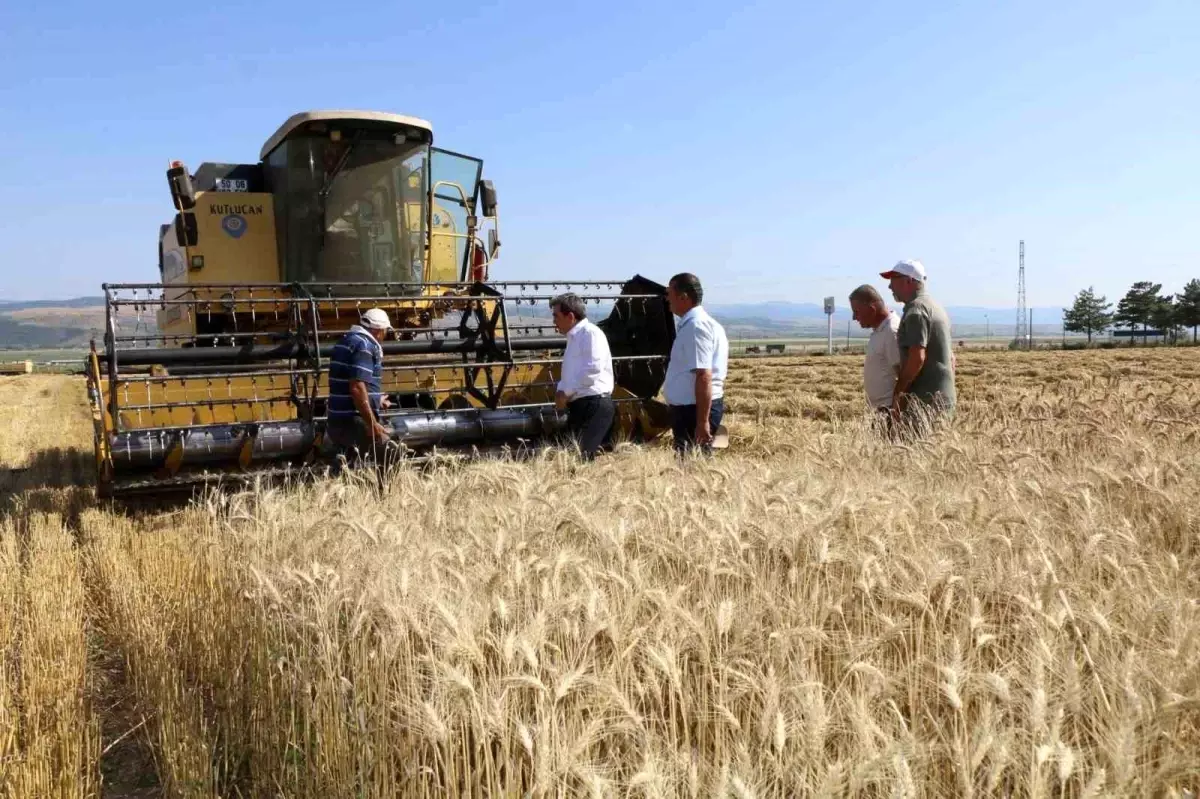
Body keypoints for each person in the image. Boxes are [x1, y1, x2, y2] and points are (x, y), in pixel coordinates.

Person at [880, 259, 956, 431]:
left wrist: (898, 395)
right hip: (943, 398)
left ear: (908, 281)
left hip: (924, 401)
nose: (890, 287)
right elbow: (952, 359)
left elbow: (917, 358)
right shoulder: (936, 307)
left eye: (893, 280)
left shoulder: (916, 311)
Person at [663, 272, 728, 455]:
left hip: (693, 411)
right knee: (692, 467)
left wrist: (702, 422)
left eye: (670, 293)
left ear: (683, 297)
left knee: (692, 467)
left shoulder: (696, 327)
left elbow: (704, 375)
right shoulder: (700, 324)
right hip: (693, 410)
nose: (667, 298)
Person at [551, 292, 615, 460]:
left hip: (594, 405)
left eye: (556, 316)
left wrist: (565, 393)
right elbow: (574, 372)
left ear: (570, 316)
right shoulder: (575, 337)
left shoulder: (590, 334)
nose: (553, 322)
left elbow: (592, 369)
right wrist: (560, 391)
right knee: (570, 458)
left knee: (580, 459)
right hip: (582, 405)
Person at [325, 307, 394, 463]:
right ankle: (384, 488)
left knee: (348, 465)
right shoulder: (365, 346)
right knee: (389, 455)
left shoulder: (345, 341)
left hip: (337, 418)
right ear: (380, 330)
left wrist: (376, 398)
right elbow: (357, 387)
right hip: (354, 420)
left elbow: (348, 381)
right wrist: (372, 424)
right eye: (386, 332)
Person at [849, 284, 902, 419]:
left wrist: (896, 410)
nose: (854, 317)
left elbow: (903, 373)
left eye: (857, 311)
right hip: (879, 410)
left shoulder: (891, 331)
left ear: (872, 309)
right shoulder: (879, 330)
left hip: (890, 411)